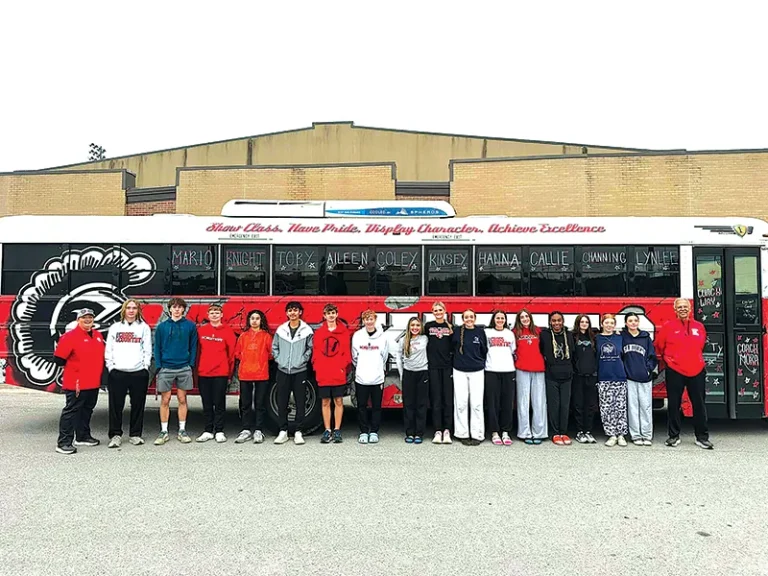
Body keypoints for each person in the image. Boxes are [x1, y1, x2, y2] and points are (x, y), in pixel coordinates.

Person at [655, 298, 713, 449]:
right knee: (674, 404)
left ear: (690, 308)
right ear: (674, 310)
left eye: (685, 307)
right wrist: (671, 360)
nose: (682, 309)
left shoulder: (699, 327)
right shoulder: (668, 327)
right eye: (679, 307)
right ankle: (673, 436)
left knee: (699, 404)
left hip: (697, 370)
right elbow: (660, 346)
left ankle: (702, 437)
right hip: (675, 370)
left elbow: (701, 345)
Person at [54, 308, 106, 455]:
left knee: (87, 410)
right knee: (71, 411)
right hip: (76, 383)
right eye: (84, 318)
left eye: (90, 317)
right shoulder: (70, 336)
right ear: (78, 320)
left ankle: (82, 436)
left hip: (93, 382)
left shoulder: (97, 335)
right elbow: (58, 359)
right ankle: (64, 442)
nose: (88, 320)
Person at [105, 299, 152, 448]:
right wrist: (111, 366)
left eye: (134, 308)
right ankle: (115, 435)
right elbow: (109, 349)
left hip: (138, 372)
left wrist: (145, 366)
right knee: (115, 406)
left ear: (138, 311)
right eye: (128, 308)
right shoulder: (115, 327)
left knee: (138, 405)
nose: (131, 311)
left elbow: (147, 349)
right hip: (118, 372)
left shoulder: (144, 328)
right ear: (124, 310)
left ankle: (135, 434)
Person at [153, 297, 197, 445]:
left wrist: (190, 364)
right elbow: (157, 348)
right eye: (174, 307)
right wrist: (159, 366)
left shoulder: (190, 326)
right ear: (170, 309)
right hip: (166, 367)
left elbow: (193, 346)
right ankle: (164, 431)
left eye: (180, 307)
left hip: (184, 367)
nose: (177, 310)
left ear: (183, 309)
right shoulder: (162, 327)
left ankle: (182, 430)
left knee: (182, 399)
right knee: (165, 400)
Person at [272, 301, 314, 445]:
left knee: (300, 401)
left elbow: (310, 348)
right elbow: (274, 347)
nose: (293, 313)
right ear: (286, 313)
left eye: (295, 310)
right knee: (282, 401)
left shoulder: (307, 330)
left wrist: (302, 360)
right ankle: (282, 431)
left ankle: (298, 431)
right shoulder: (281, 330)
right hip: (283, 370)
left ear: (300, 312)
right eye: (290, 310)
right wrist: (279, 360)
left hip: (300, 371)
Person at [195, 304, 236, 444]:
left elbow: (231, 355)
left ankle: (219, 430)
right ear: (208, 314)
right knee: (206, 403)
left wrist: (229, 374)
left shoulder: (228, 331)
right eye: (212, 312)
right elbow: (197, 351)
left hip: (221, 372)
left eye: (217, 312)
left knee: (219, 402)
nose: (214, 315)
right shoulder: (201, 330)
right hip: (204, 372)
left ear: (221, 315)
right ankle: (208, 430)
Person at [312, 303, 351, 444]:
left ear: (337, 314)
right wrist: (317, 367)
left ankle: (337, 429)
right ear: (324, 316)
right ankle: (327, 430)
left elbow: (347, 353)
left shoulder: (344, 332)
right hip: (324, 372)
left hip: (337, 372)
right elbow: (315, 352)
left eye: (333, 313)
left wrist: (342, 366)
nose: (331, 315)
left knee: (339, 401)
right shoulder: (319, 333)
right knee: (325, 401)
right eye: (328, 313)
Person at [234, 309, 273, 444]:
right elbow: (237, 353)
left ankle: (258, 430)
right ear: (249, 321)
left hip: (261, 374)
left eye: (257, 318)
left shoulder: (266, 336)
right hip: (245, 374)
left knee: (260, 403)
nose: (255, 321)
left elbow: (270, 354)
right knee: (245, 404)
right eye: (252, 318)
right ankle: (246, 429)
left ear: (261, 320)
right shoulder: (243, 336)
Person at [351, 310, 390, 444]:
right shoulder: (357, 336)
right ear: (363, 321)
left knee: (376, 407)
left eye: (371, 318)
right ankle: (363, 431)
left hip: (377, 377)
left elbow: (384, 356)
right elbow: (354, 356)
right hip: (361, 377)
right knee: (361, 406)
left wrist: (378, 368)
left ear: (375, 319)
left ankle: (374, 431)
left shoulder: (383, 337)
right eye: (366, 319)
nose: (369, 321)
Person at [452, 309, 488, 446]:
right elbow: (452, 348)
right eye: (466, 317)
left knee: (477, 403)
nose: (469, 319)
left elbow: (484, 350)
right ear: (462, 318)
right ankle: (462, 433)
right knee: (461, 403)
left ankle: (477, 434)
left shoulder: (480, 332)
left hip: (477, 371)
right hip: (459, 370)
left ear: (475, 318)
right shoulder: (457, 332)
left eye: (471, 317)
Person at [622, 312, 658, 446]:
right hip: (629, 377)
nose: (632, 323)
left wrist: (648, 369)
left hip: (644, 377)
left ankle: (647, 435)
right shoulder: (623, 337)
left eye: (635, 320)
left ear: (638, 322)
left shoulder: (645, 337)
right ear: (626, 323)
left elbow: (652, 356)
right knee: (632, 407)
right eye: (630, 320)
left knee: (646, 406)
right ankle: (636, 435)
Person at [540, 311, 575, 446]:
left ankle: (563, 432)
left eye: (559, 320)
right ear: (550, 322)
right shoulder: (545, 335)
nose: (556, 323)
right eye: (553, 321)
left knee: (565, 405)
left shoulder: (569, 335)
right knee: (554, 405)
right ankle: (555, 433)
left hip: (567, 375)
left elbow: (573, 353)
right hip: (551, 375)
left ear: (563, 321)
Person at [514, 309, 547, 445]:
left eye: (526, 316)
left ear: (530, 318)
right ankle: (524, 432)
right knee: (523, 401)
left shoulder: (539, 331)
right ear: (519, 319)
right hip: (522, 368)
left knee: (539, 401)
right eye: (522, 317)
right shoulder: (515, 333)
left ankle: (539, 432)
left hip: (539, 369)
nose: (525, 319)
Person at [484, 310, 516, 446]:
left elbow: (513, 350)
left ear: (505, 320)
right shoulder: (487, 333)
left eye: (502, 318)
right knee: (493, 403)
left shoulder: (510, 334)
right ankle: (494, 432)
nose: (500, 320)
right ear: (493, 319)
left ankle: (505, 432)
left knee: (507, 403)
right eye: (498, 318)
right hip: (491, 370)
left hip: (508, 371)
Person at [596, 314, 628, 447]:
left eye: (612, 323)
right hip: (604, 377)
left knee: (620, 407)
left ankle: (621, 435)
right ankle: (611, 434)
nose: (609, 325)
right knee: (606, 408)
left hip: (619, 376)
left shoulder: (620, 338)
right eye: (606, 323)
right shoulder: (597, 338)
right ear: (602, 324)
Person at [396, 317, 429, 444]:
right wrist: (402, 373)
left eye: (417, 325)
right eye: (412, 325)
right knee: (408, 405)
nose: (415, 328)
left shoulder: (425, 339)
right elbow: (399, 356)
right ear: (409, 327)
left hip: (422, 373)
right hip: (408, 374)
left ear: (421, 327)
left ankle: (419, 433)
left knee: (421, 404)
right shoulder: (404, 340)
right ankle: (409, 432)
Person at [425, 301, 454, 444]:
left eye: (440, 310)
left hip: (447, 367)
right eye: (435, 310)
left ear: (444, 311)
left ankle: (447, 430)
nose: (438, 312)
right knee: (436, 399)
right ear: (432, 312)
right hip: (433, 367)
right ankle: (437, 430)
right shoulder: (428, 326)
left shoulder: (450, 327)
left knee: (447, 400)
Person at [572, 314, 598, 444]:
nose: (584, 324)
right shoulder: (573, 337)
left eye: (586, 322)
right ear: (578, 323)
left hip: (591, 376)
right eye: (581, 322)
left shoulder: (593, 337)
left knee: (590, 405)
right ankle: (579, 431)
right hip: (577, 376)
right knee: (578, 405)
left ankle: (588, 431)